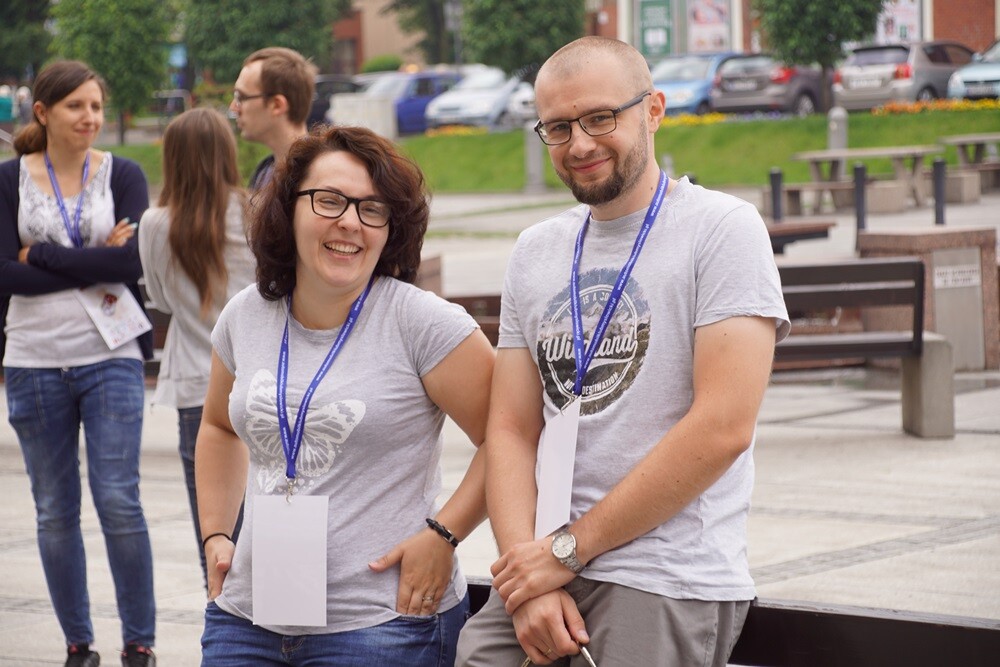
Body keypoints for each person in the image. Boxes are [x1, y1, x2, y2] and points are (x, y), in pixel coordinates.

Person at [456, 36, 790, 666]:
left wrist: (567, 551)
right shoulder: (536, 250)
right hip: (546, 563)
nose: (579, 144)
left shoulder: (721, 228)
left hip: (664, 572)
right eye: (558, 128)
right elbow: (510, 429)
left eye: (600, 117)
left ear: (653, 109)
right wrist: (529, 576)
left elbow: (723, 427)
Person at [195, 124, 495, 666]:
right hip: (246, 617)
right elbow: (218, 426)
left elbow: (510, 437)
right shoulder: (247, 314)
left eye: (372, 209)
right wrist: (216, 533)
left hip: (384, 623)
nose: (350, 222)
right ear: (288, 209)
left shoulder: (423, 323)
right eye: (329, 200)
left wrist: (444, 534)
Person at [0, 60, 157, 667]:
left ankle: (139, 643)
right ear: (42, 112)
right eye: (76, 106)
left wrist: (39, 255)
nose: (90, 117)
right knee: (54, 509)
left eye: (96, 105)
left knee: (118, 499)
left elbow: (130, 265)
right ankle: (78, 644)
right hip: (33, 360)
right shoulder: (8, 180)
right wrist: (93, 259)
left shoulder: (125, 174)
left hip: (110, 355)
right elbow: (3, 275)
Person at [138, 108, 255, 586]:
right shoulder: (255, 211)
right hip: (258, 381)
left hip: (195, 386)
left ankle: (222, 618)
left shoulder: (155, 223)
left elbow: (160, 298)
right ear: (227, 153)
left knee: (215, 536)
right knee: (268, 528)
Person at [229, 47, 315, 191]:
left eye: (241, 97)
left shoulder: (319, 175)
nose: (233, 107)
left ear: (277, 105)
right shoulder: (264, 172)